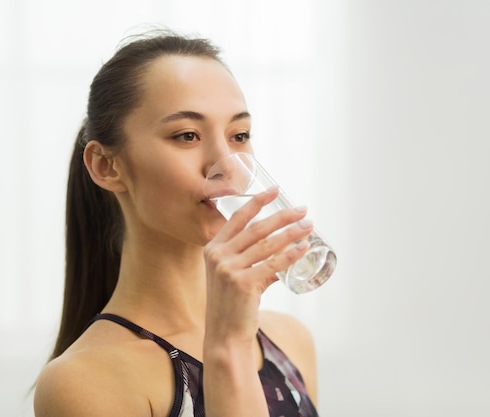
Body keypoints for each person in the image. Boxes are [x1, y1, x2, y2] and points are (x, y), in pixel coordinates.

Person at [34, 30, 320, 417]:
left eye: (239, 135)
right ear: (107, 166)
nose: (227, 169)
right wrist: (228, 347)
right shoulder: (85, 381)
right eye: (187, 135)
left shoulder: (290, 340)